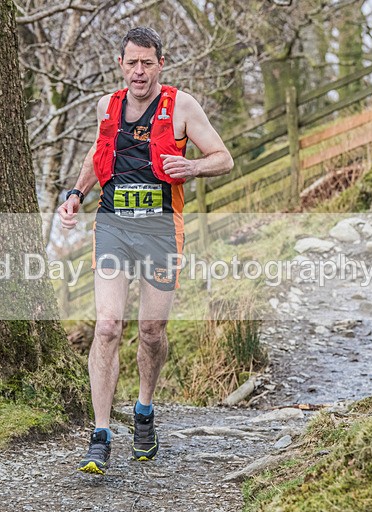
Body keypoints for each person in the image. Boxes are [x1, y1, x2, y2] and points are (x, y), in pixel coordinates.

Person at [57, 27, 233, 475]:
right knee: (109, 326)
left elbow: (224, 158)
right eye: (131, 62)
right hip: (113, 227)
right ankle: (99, 435)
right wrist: (76, 193)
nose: (139, 71)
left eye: (147, 62)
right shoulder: (107, 106)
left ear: (160, 64)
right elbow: (96, 155)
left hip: (159, 230)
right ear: (121, 64)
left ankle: (144, 411)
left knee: (152, 331)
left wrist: (191, 166)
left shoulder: (181, 106)